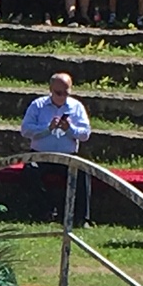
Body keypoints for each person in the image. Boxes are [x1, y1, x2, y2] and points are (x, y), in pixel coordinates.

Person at [20, 74, 95, 223]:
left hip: (67, 156)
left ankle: (82, 218)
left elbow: (85, 134)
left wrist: (70, 129)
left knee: (82, 173)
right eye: (58, 93)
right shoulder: (38, 105)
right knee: (30, 172)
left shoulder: (77, 107)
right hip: (40, 156)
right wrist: (47, 129)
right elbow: (25, 130)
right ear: (50, 90)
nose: (62, 97)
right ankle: (43, 212)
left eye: (66, 93)